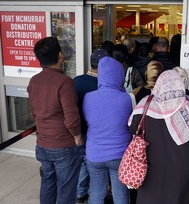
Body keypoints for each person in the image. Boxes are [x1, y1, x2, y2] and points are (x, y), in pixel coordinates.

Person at [128, 70, 189, 204]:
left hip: (148, 168)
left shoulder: (144, 105)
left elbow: (132, 128)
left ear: (159, 85)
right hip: (179, 171)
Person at [27, 37, 84, 204]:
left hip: (42, 143)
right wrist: (77, 136)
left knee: (47, 183)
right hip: (63, 145)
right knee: (66, 188)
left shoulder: (34, 81)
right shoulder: (64, 82)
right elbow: (71, 117)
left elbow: (33, 113)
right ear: (60, 55)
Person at [83, 56, 132, 204]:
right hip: (119, 155)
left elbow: (88, 120)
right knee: (121, 195)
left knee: (96, 192)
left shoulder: (88, 97)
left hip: (94, 153)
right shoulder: (128, 98)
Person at [73, 48, 109, 203]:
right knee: (95, 166)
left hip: (79, 130)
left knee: (81, 162)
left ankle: (79, 192)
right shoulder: (105, 85)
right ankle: (92, 192)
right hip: (98, 133)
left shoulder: (76, 81)